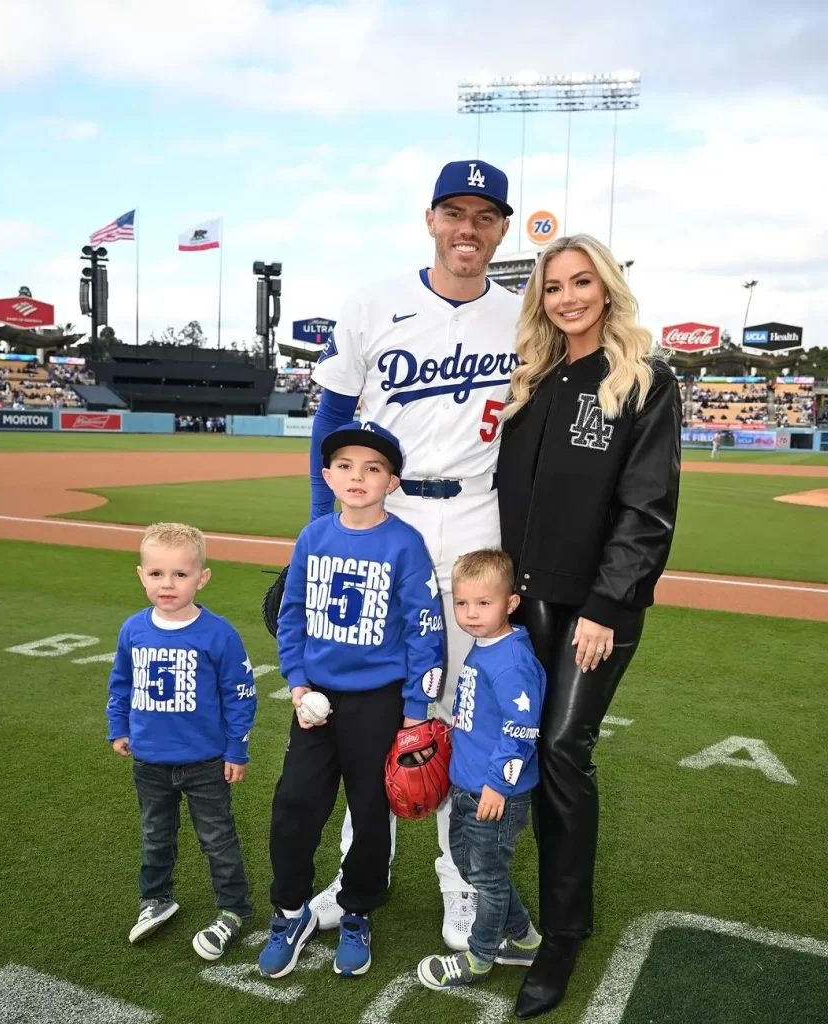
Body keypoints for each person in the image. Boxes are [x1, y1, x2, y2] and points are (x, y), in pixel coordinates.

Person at [307, 159, 522, 948]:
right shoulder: (373, 303)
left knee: (465, 711)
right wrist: (318, 538)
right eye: (455, 212)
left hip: (477, 516)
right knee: (370, 707)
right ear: (430, 218)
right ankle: (361, 869)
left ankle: (460, 880)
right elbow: (331, 422)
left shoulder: (523, 315)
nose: (469, 229)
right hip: (383, 516)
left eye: (485, 215)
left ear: (501, 228)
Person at [497, 233, 682, 1019]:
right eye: (554, 286)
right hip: (528, 600)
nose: (568, 296)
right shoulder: (534, 380)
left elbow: (646, 510)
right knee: (527, 746)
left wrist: (607, 606)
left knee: (563, 750)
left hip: (595, 607)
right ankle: (519, 902)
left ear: (606, 288)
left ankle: (564, 933)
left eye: (582, 282)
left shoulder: (644, 380)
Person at [258, 421, 445, 980]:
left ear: (392, 481)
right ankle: (289, 910)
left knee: (369, 812)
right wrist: (296, 683)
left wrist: (417, 709)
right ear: (326, 474)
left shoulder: (405, 543)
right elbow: (290, 617)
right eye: (345, 466)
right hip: (315, 699)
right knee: (295, 804)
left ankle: (357, 908)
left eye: (373, 468)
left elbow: (425, 631)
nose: (357, 477)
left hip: (380, 704)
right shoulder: (313, 536)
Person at [106, 522, 257, 961]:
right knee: (156, 834)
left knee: (217, 838)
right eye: (156, 574)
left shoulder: (219, 634)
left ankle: (233, 907)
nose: (166, 584)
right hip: (150, 761)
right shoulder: (133, 630)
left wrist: (237, 750)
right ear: (141, 575)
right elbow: (121, 684)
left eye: (179, 574)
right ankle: (155, 899)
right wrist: (119, 727)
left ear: (202, 578)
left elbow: (240, 695)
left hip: (206, 762)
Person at [417, 549, 545, 992]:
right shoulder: (485, 644)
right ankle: (526, 940)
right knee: (475, 870)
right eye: (462, 603)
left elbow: (520, 731)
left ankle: (479, 957)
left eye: (483, 604)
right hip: (467, 787)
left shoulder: (511, 661)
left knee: (487, 879)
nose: (470, 614)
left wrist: (497, 786)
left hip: (495, 795)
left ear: (510, 603)